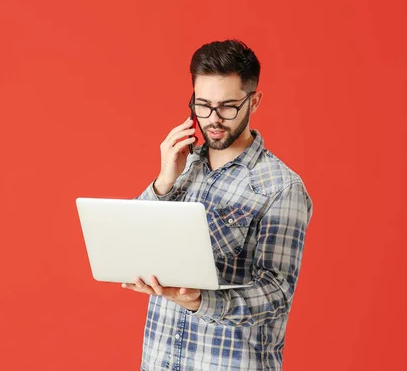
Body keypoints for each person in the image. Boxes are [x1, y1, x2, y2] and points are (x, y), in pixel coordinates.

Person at [121, 40, 314, 371]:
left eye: (227, 106)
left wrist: (200, 301)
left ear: (254, 102)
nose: (212, 119)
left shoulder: (281, 188)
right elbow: (131, 245)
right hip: (160, 360)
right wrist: (163, 182)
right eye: (202, 105)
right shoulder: (182, 168)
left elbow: (276, 295)